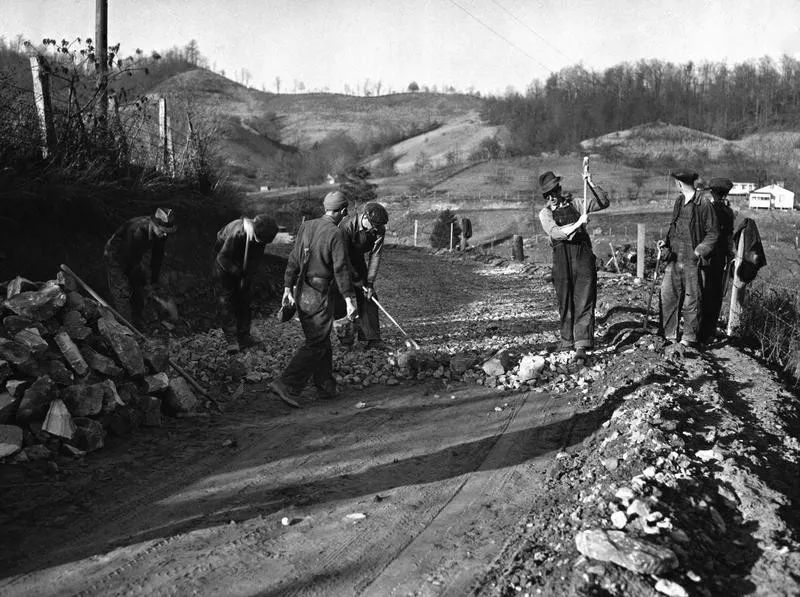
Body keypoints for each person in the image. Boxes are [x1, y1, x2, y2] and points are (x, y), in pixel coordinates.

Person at [270, 191, 358, 405]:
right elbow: (341, 269)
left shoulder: (306, 226)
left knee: (321, 337)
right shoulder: (335, 233)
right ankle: (287, 383)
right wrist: (349, 299)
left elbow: (294, 258)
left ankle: (325, 385)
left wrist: (287, 287)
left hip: (302, 290)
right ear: (344, 211)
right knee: (316, 343)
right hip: (318, 294)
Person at [538, 169, 610, 360]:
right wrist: (579, 223)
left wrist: (590, 182)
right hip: (561, 259)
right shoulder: (545, 214)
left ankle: (582, 343)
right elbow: (556, 233)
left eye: (555, 191)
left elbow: (603, 202)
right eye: (549, 194)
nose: (553, 197)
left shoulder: (577, 203)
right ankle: (567, 340)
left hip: (582, 255)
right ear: (545, 196)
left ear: (560, 189)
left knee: (584, 297)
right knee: (565, 299)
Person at [659, 171, 719, 349]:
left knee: (691, 299)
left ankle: (688, 338)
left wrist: (699, 251)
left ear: (679, 183)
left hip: (693, 258)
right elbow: (674, 226)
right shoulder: (679, 201)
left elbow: (713, 233)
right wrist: (666, 242)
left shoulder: (703, 203)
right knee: (668, 295)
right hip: (675, 256)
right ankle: (669, 335)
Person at [212, 214, 279, 352]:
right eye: (261, 241)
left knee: (244, 300)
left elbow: (256, 259)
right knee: (226, 300)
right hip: (224, 263)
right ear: (256, 234)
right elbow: (222, 258)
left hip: (242, 265)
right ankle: (232, 340)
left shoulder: (262, 236)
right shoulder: (237, 232)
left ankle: (244, 336)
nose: (263, 244)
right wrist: (238, 272)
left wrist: (248, 276)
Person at [103, 207, 176, 329]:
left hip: (133, 257)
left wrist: (154, 280)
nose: (165, 234)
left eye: (167, 232)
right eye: (162, 231)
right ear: (153, 224)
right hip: (115, 255)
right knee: (123, 292)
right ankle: (128, 329)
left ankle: (137, 321)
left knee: (138, 289)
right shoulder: (137, 230)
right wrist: (132, 275)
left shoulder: (162, 235)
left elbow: (157, 256)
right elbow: (129, 256)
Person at [334, 201, 389, 350]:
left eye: (379, 227)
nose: (376, 230)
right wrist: (355, 279)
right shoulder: (346, 226)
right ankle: (345, 340)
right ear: (364, 217)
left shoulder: (379, 230)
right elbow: (341, 256)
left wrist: (369, 283)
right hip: (338, 262)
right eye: (374, 226)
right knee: (342, 298)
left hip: (357, 260)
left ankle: (372, 338)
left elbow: (375, 256)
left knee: (369, 296)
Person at [699, 178, 735, 342]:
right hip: (719, 257)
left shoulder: (705, 209)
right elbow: (728, 237)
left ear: (712, 192)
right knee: (714, 293)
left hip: (703, 254)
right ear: (726, 194)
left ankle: (697, 329)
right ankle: (708, 330)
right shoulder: (728, 212)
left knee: (700, 290)